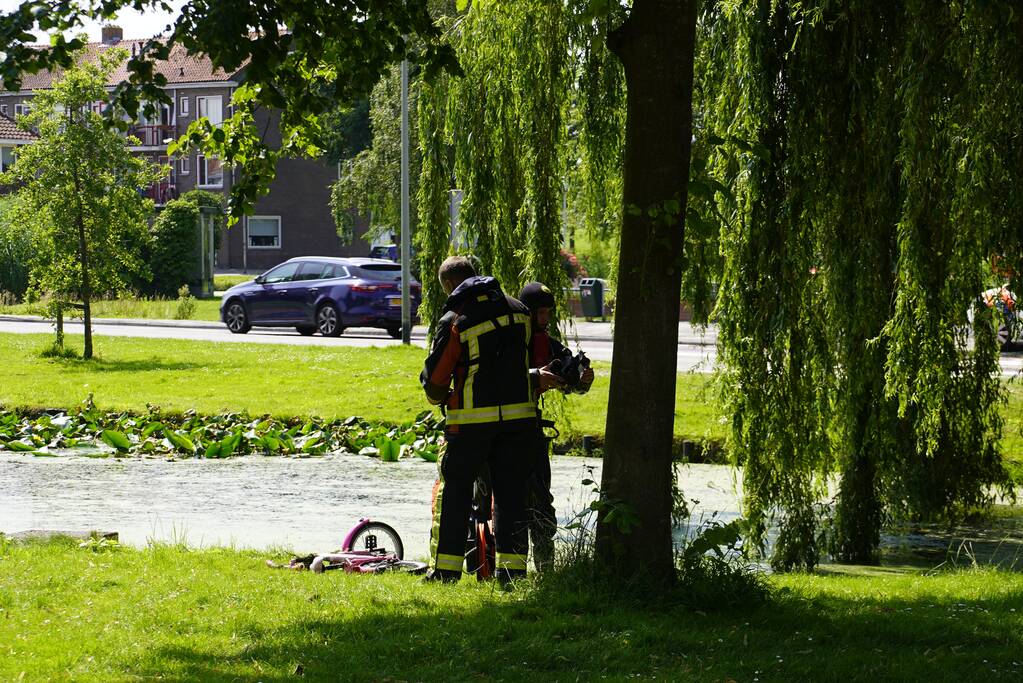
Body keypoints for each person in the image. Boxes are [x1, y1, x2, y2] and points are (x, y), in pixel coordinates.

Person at [420, 256, 539, 584]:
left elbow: (436, 381)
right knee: (512, 496)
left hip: (470, 425)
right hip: (518, 421)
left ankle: (446, 572)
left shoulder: (456, 319)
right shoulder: (520, 311)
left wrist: (439, 396)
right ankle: (511, 574)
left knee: (456, 494)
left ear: (448, 285)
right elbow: (536, 359)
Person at [517, 282, 595, 572]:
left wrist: (582, 380)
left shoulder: (548, 343)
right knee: (509, 502)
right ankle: (503, 569)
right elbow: (499, 379)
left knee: (541, 502)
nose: (546, 318)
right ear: (528, 313)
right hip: (503, 432)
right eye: (541, 313)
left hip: (532, 431)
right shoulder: (510, 340)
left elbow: (568, 378)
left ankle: (545, 569)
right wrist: (535, 378)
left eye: (549, 312)